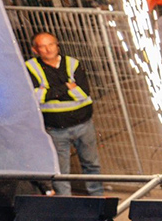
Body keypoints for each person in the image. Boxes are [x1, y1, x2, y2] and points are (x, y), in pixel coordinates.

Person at [25, 32, 103, 195]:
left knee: (91, 164)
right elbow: (35, 96)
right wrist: (67, 87)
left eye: (51, 44)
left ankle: (97, 197)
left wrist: (49, 92)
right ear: (35, 49)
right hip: (55, 129)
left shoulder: (72, 63)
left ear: (57, 45)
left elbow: (83, 92)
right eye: (43, 46)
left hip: (83, 124)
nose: (48, 49)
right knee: (61, 171)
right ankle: (66, 203)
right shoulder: (30, 68)